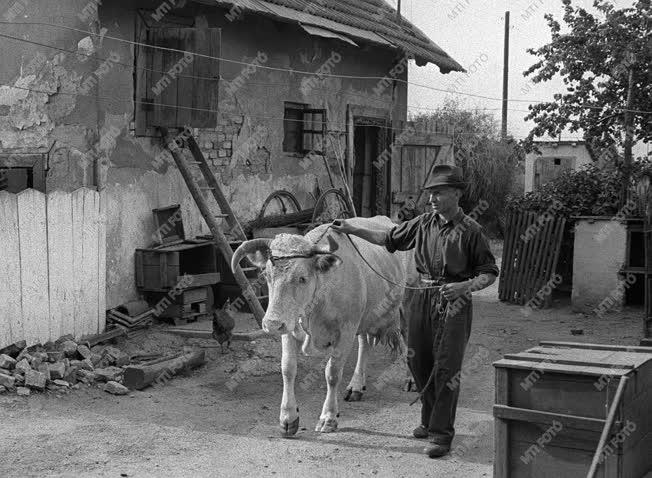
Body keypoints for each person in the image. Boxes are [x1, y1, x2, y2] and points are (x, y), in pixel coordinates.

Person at [331, 164, 499, 458]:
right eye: (430, 193)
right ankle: (428, 420)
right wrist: (352, 228)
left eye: (439, 193)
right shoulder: (422, 223)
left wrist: (466, 287)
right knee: (419, 361)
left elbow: (490, 272)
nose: (432, 199)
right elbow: (388, 239)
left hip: (453, 300)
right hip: (419, 296)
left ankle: (442, 435)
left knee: (446, 367)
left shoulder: (472, 231)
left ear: (457, 194)